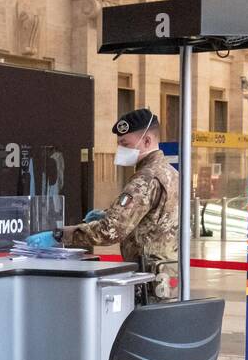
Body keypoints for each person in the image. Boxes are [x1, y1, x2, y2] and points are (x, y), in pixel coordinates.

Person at [27, 108, 179, 302]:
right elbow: (154, 219)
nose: (120, 150)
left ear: (147, 141)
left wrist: (59, 235)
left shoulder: (145, 179)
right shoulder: (170, 173)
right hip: (168, 276)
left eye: (125, 144)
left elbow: (110, 231)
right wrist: (108, 214)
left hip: (149, 282)